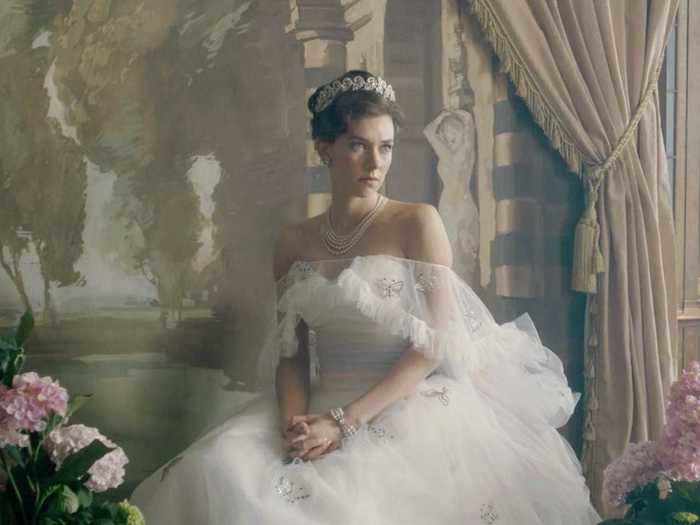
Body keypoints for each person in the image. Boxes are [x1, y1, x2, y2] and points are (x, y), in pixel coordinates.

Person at [131, 70, 601, 524]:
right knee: (220, 468)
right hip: (320, 402)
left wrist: (344, 423)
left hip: (404, 402)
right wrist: (296, 428)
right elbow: (292, 356)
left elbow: (432, 346)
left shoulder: (417, 223)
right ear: (325, 149)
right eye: (358, 146)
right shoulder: (294, 242)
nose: (375, 163)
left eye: (386, 147)